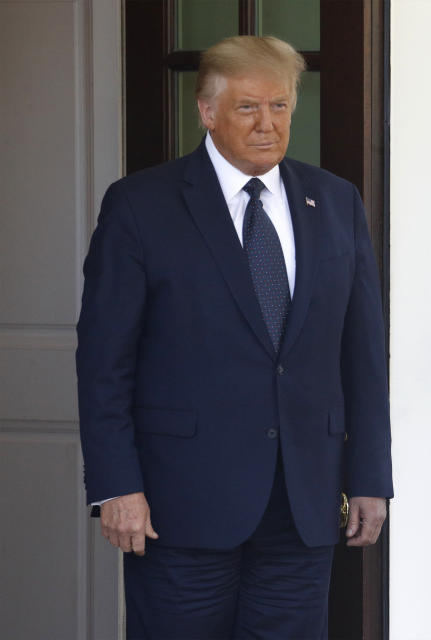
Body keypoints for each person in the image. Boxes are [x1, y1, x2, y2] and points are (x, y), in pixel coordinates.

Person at [76, 36, 392, 639]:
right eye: (248, 108)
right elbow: (104, 363)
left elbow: (362, 355)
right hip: (178, 506)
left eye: (279, 107)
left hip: (303, 504)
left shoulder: (335, 201)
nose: (267, 124)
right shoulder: (141, 205)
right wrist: (117, 485)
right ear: (207, 112)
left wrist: (371, 478)